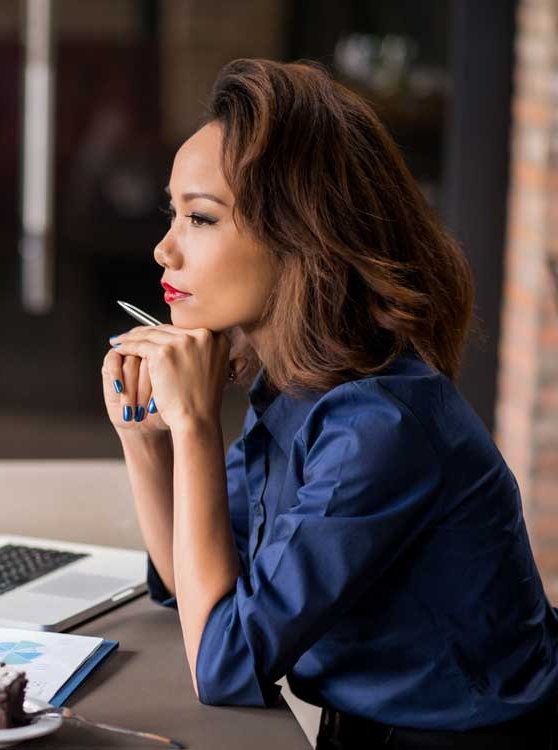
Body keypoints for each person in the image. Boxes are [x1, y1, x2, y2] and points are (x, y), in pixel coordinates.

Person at [101, 58, 558, 750]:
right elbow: (190, 588)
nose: (164, 249)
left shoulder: (379, 427)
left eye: (199, 218)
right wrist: (143, 437)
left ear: (299, 236)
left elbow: (223, 660)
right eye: (174, 213)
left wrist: (195, 426)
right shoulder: (295, 387)